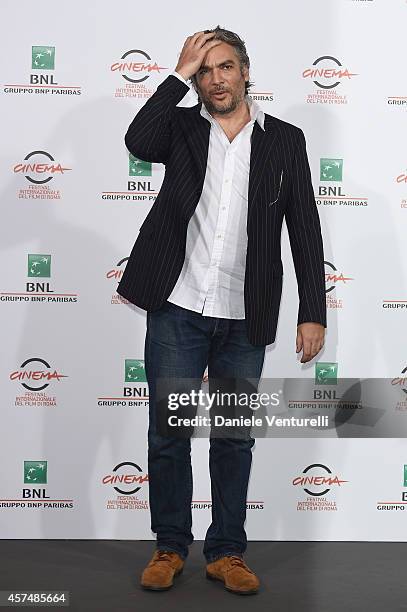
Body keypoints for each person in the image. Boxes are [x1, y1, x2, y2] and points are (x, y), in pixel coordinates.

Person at [117, 26, 326, 595]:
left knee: (234, 436)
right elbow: (137, 140)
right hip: (179, 304)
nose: (215, 79)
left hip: (244, 312)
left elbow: (304, 227)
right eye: (205, 71)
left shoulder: (285, 140)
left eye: (224, 67)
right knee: (170, 432)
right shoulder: (182, 128)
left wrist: (313, 309)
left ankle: (227, 552)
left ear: (245, 71)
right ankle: (169, 546)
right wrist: (176, 73)